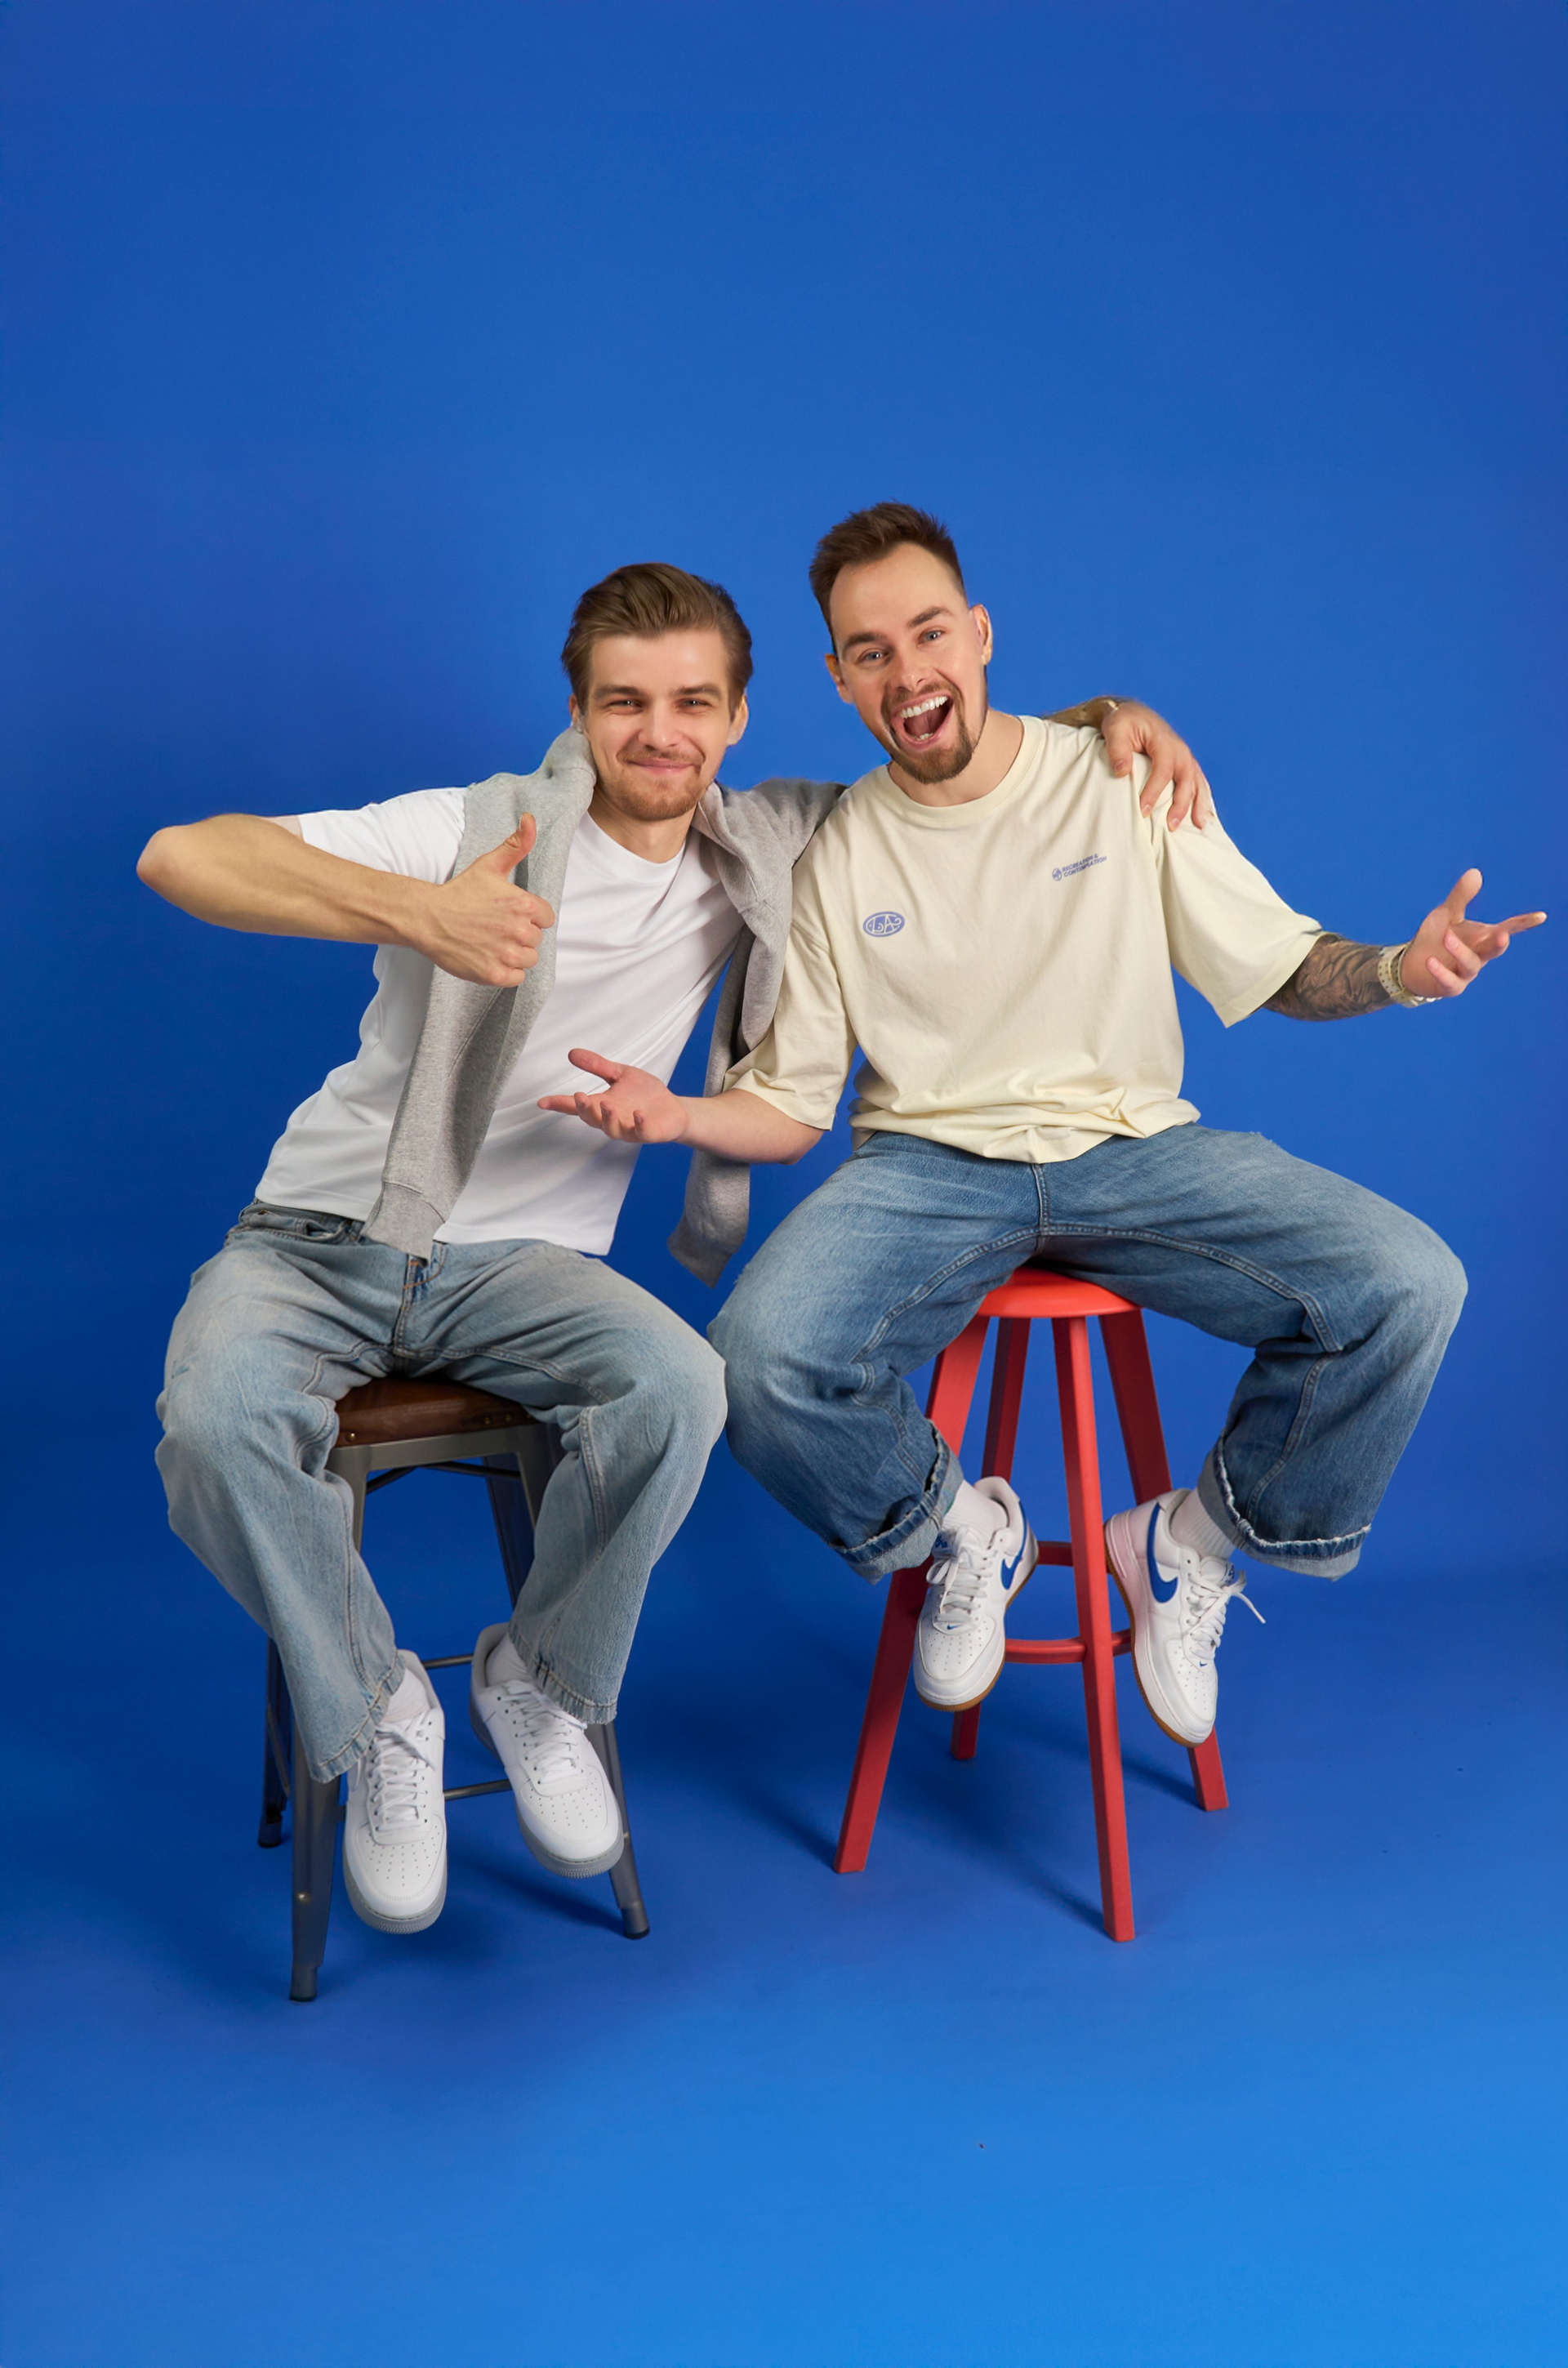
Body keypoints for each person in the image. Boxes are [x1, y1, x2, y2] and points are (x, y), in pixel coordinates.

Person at [139, 555, 1204, 1938]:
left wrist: (1110, 717)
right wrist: (424, 913)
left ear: (740, 717)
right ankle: (379, 1706)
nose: (660, 733)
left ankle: (537, 1683)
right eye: (625, 703)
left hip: (524, 1272)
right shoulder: (476, 830)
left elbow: (956, 754)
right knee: (214, 1419)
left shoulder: (772, 842)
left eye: (694, 703)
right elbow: (183, 855)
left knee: (683, 1387)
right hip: (318, 1241)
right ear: (578, 713)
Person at [545, 504, 1545, 1758]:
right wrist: (677, 1112)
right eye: (871, 652)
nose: (908, 671)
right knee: (751, 1360)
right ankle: (966, 1532)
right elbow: (795, 1104)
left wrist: (1403, 969)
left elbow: (1280, 961)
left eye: (929, 634)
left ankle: (1185, 1546)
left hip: (1135, 1149)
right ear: (839, 678)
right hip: (927, 1170)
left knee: (1408, 1284)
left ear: (980, 633)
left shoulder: (1120, 778)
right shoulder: (834, 853)